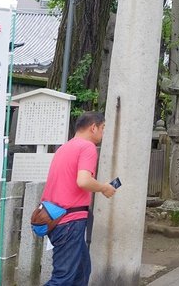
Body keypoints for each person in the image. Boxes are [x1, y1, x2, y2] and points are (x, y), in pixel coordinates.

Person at [41, 111, 116, 286]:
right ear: (93, 127)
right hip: (70, 221)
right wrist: (104, 187)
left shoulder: (64, 148)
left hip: (55, 217)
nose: (103, 133)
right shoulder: (87, 147)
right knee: (63, 278)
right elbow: (83, 181)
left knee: (81, 271)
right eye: (103, 128)